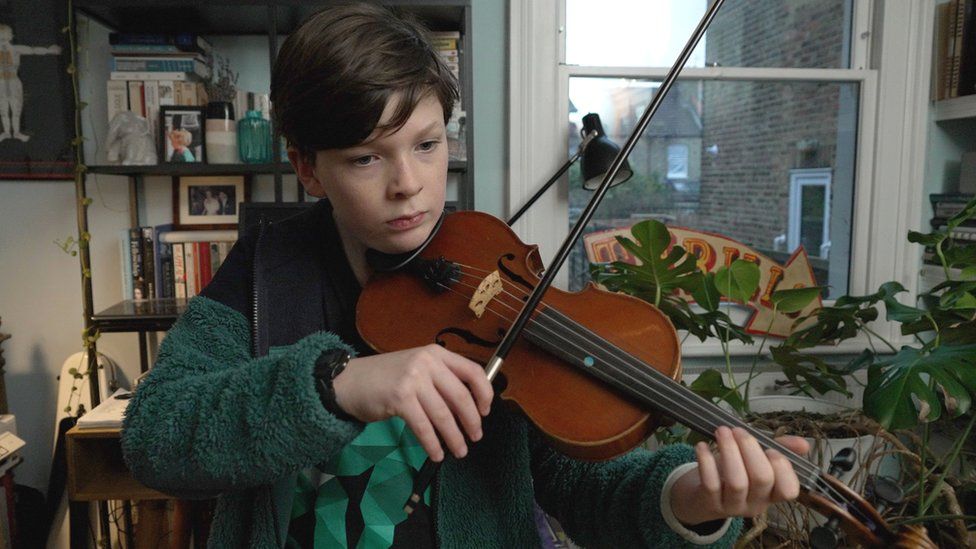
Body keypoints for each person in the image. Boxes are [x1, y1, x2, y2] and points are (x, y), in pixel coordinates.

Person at [121, 4, 809, 548]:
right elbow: (156, 435)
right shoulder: (266, 271)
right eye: (366, 159)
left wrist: (689, 496)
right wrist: (340, 383)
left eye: (426, 145)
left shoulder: (490, 262)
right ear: (308, 168)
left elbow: (576, 482)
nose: (410, 186)